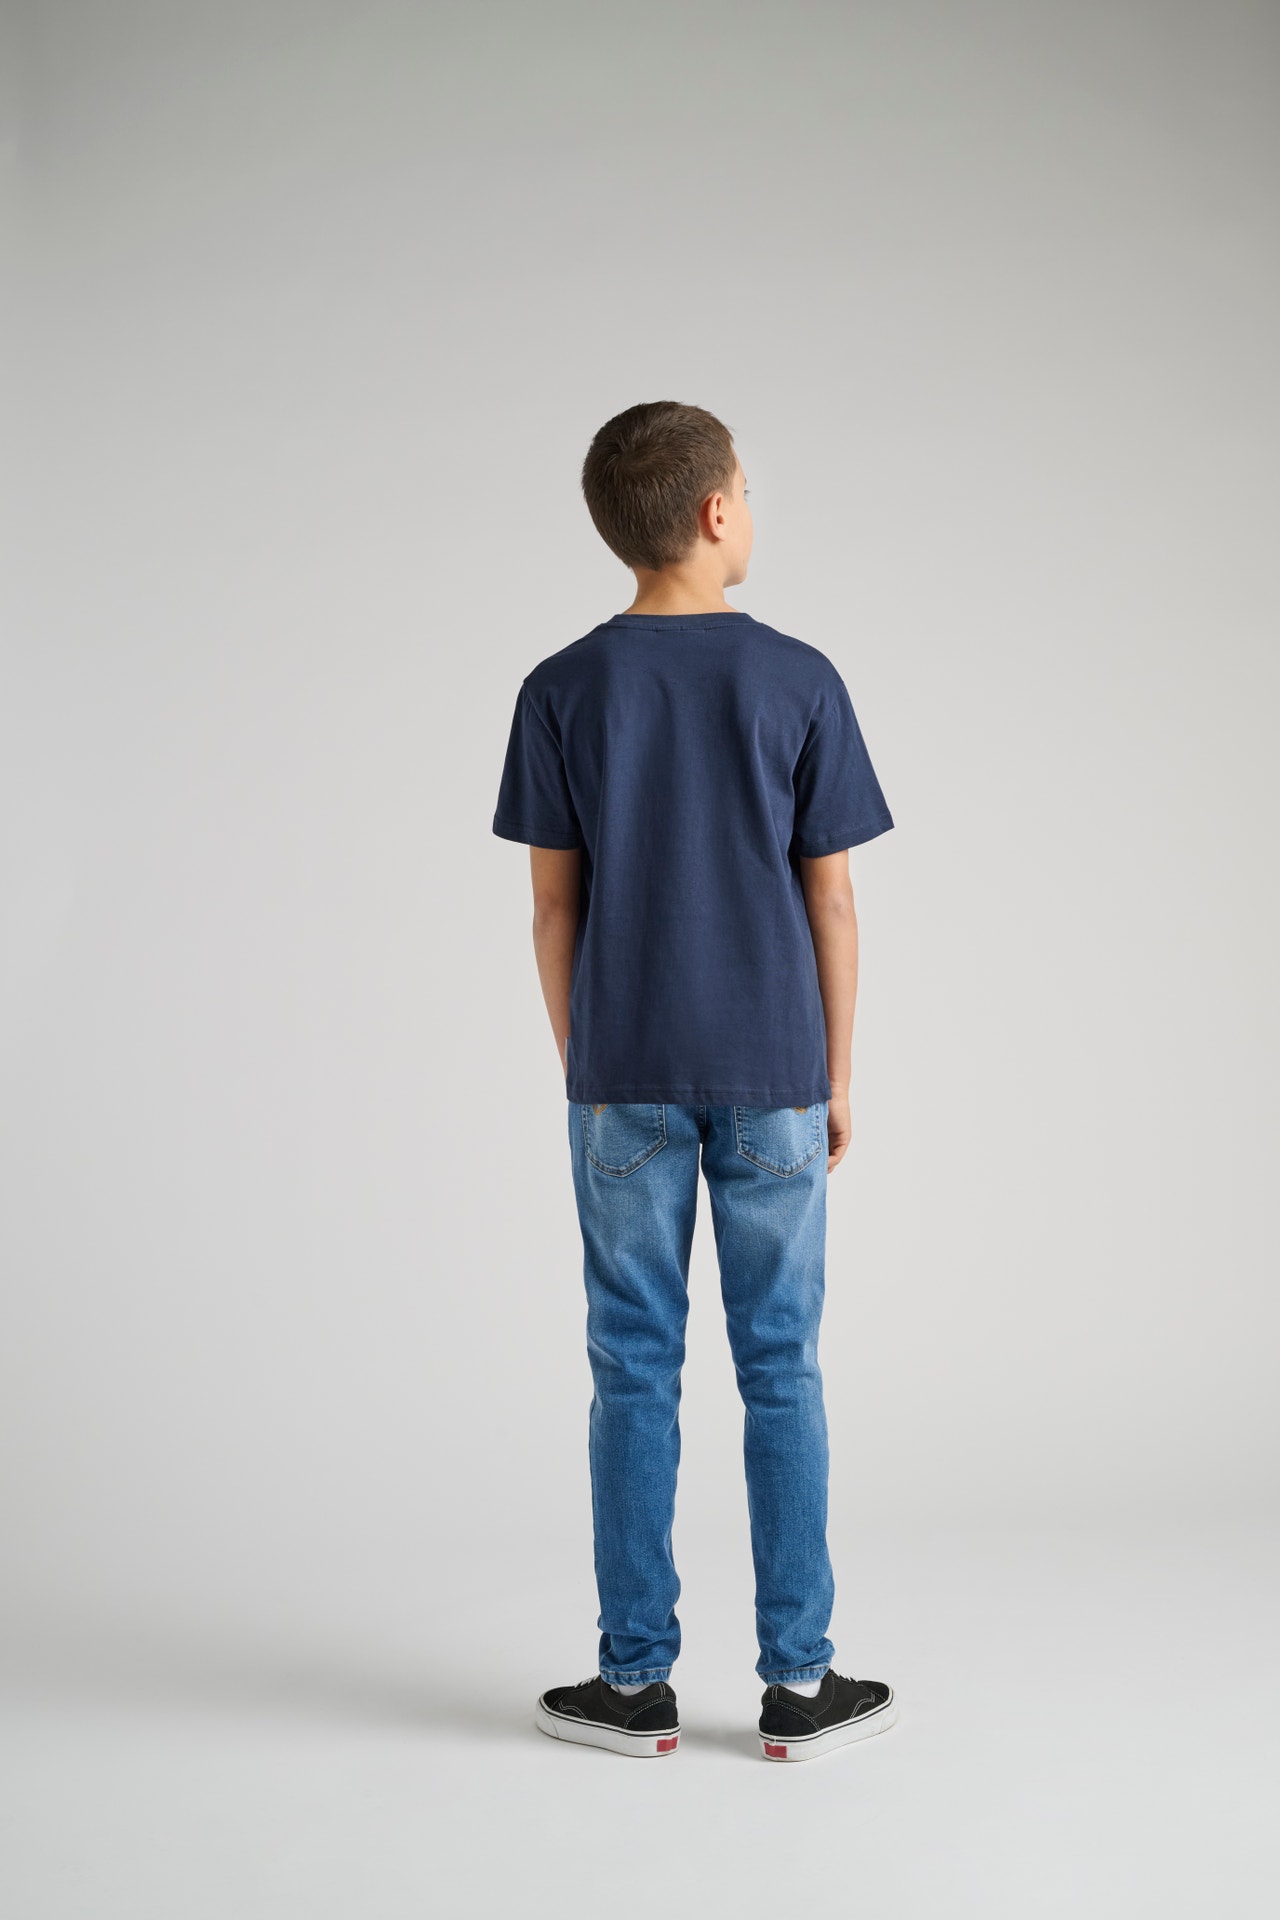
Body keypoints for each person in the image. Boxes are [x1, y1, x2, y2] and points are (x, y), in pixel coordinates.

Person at [492, 401, 897, 1763]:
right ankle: (799, 1685)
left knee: (632, 1370)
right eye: (750, 495)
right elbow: (830, 898)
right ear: (719, 511)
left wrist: (588, 1060)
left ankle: (634, 1685)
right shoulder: (799, 678)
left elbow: (553, 910)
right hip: (775, 1069)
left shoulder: (560, 688)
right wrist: (838, 1075)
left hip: (623, 1076)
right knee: (782, 1367)